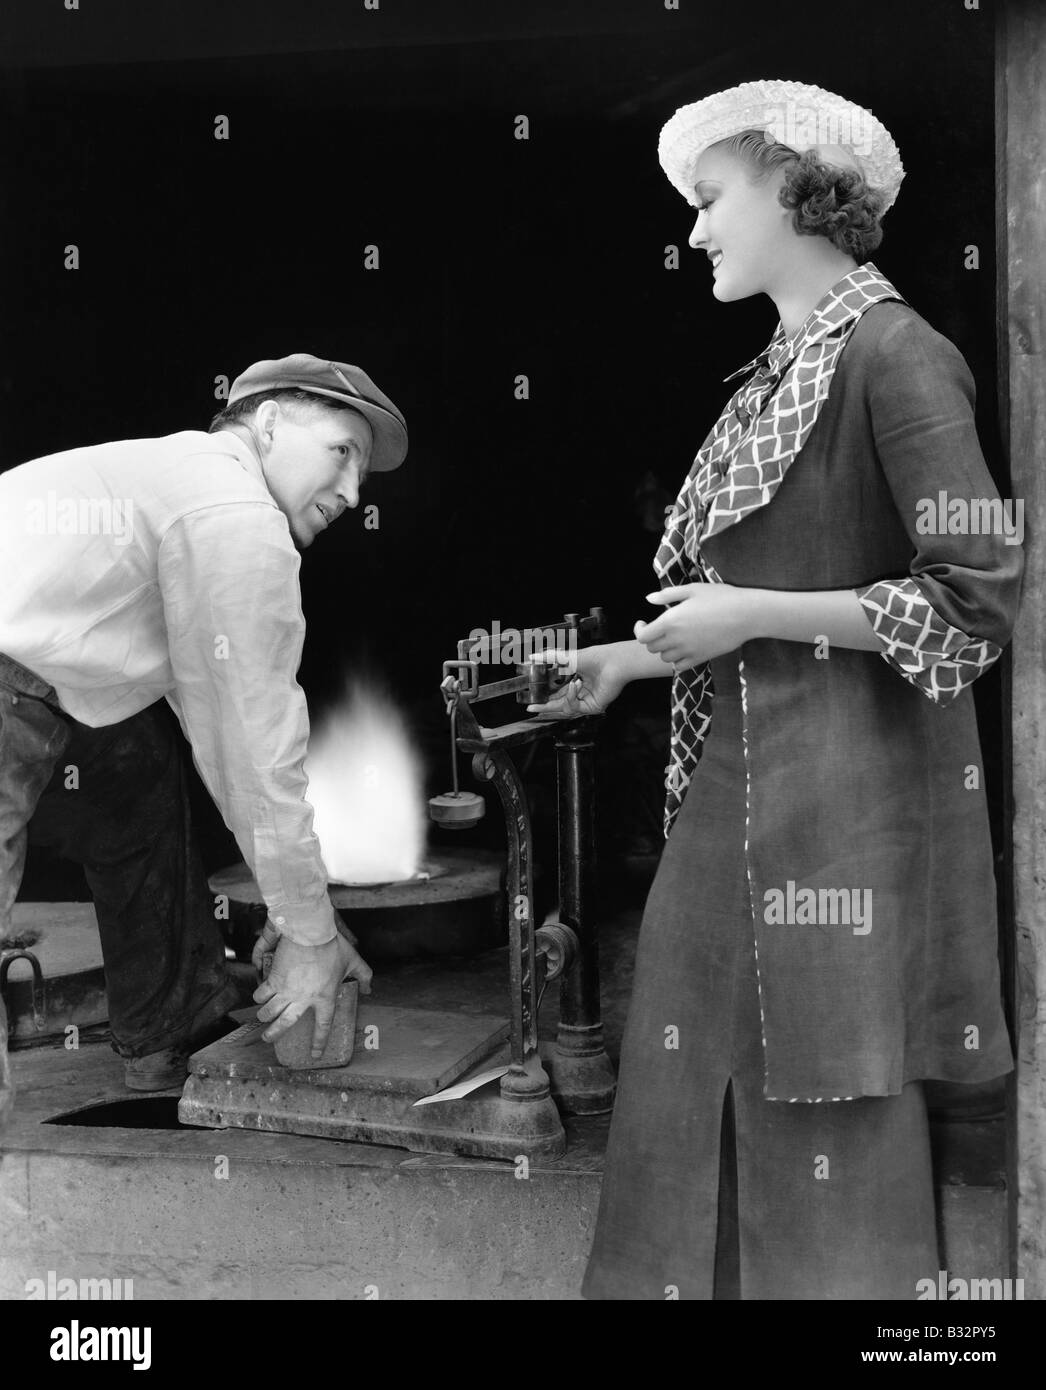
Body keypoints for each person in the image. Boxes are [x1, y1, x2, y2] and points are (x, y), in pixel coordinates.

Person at [534, 80, 1023, 1299]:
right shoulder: (775, 370)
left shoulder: (898, 356)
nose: (693, 231)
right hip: (731, 796)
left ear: (797, 190)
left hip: (845, 807)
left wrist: (749, 613)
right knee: (685, 1072)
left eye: (710, 200)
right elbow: (750, 597)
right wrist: (628, 661)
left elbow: (977, 599)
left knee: (826, 1086)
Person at [0, 354, 405, 1095]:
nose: (350, 492)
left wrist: (300, 906)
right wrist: (310, 937)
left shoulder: (188, 482)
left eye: (363, 478)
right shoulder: (236, 515)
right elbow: (256, 749)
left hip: (40, 686)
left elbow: (221, 739)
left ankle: (168, 1031)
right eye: (341, 452)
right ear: (270, 423)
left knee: (138, 768)